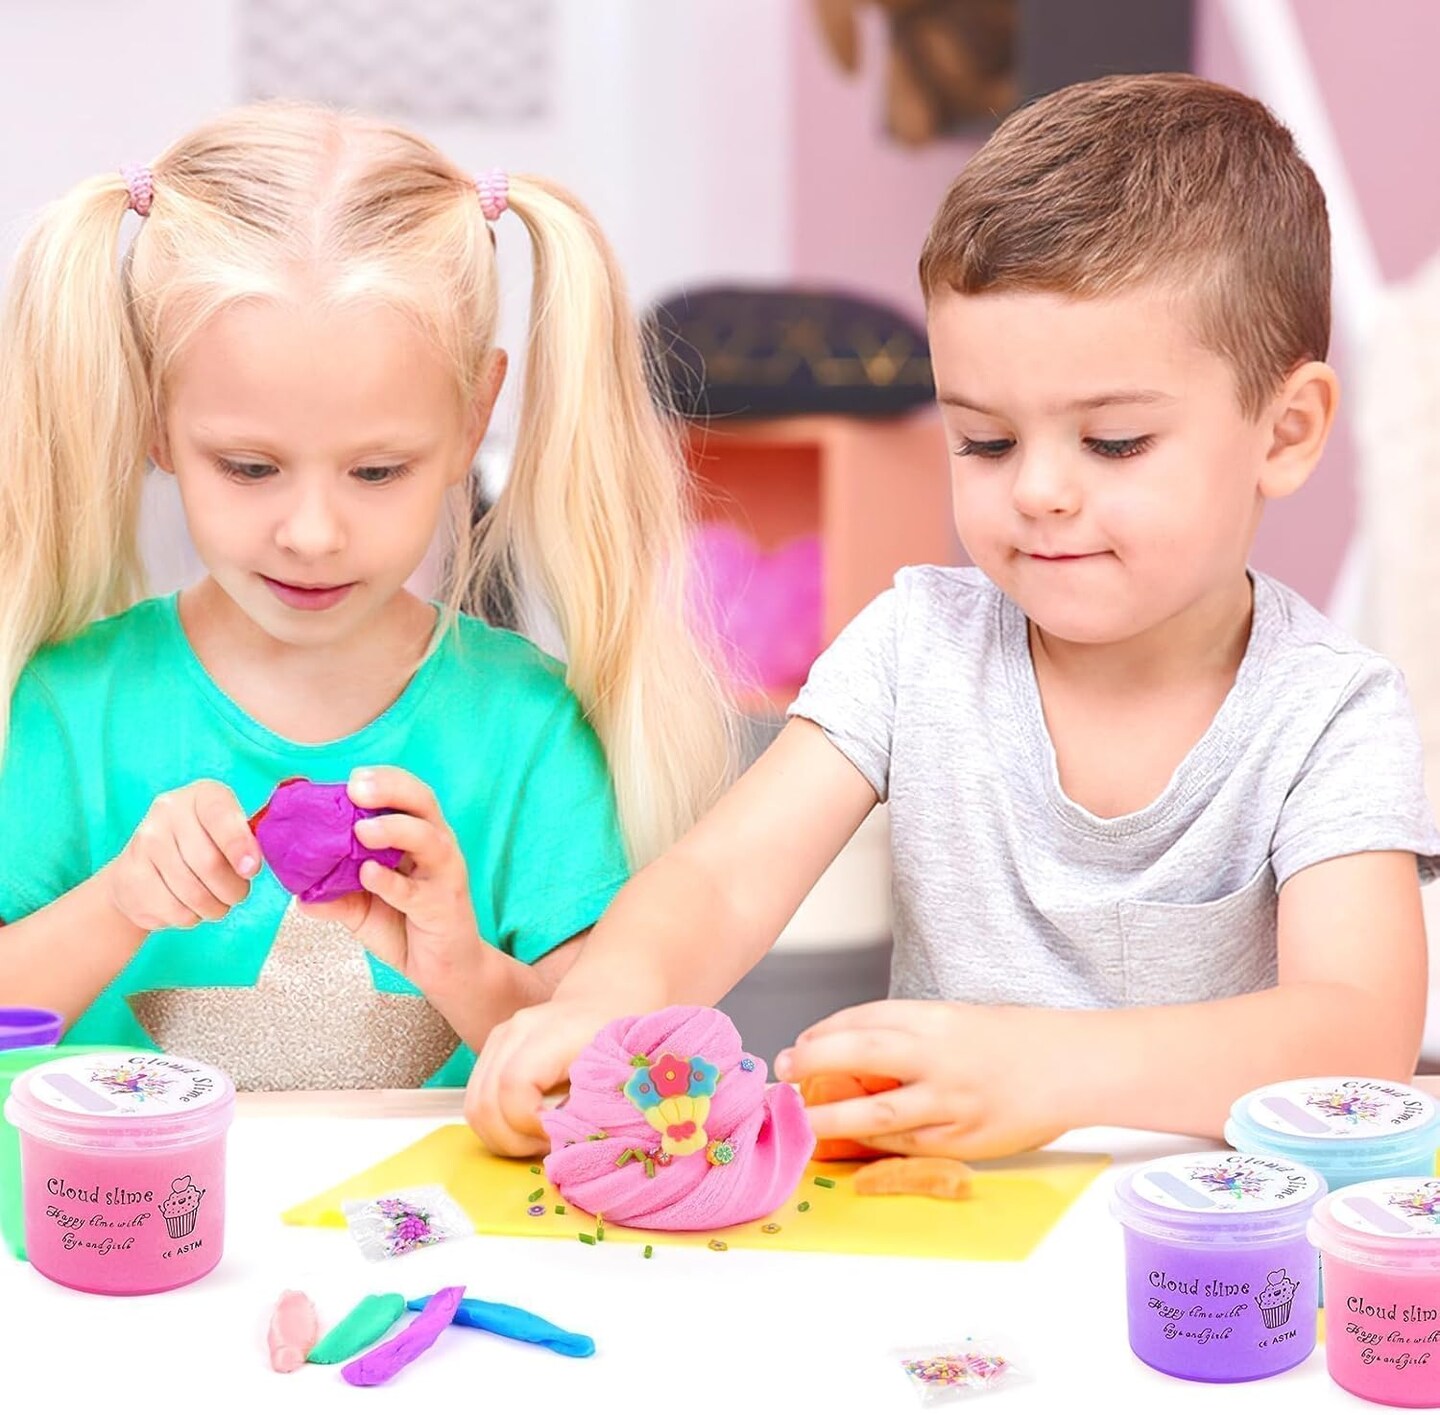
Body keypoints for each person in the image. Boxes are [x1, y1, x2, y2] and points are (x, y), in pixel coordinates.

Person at [469, 73, 1440, 1156]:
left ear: (1287, 432)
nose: (1038, 490)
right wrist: (604, 1000)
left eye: (1113, 442)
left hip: (1211, 1243)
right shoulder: (914, 646)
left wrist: (1048, 1069)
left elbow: (1359, 1036)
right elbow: (721, 879)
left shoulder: (1332, 711)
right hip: (952, 1226)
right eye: (986, 441)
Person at [0, 102, 730, 1089]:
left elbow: (603, 1072)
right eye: (249, 467)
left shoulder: (530, 730)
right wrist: (120, 901)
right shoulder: (64, 707)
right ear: (154, 415)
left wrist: (460, 964)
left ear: (472, 417)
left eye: (377, 471)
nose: (313, 533)